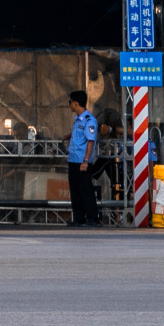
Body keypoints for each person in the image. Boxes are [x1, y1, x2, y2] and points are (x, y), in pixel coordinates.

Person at [64, 90, 101, 226]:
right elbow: (80, 136)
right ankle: (79, 218)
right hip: (73, 160)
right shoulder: (77, 119)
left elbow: (90, 142)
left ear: (76, 103)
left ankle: (93, 218)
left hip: (81, 161)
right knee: (75, 190)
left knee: (86, 190)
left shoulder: (89, 120)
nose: (69, 105)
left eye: (70, 103)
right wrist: (69, 136)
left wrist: (85, 161)